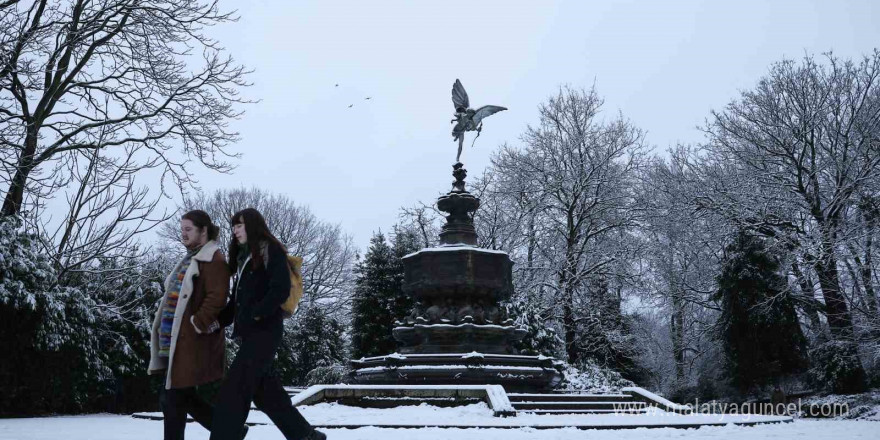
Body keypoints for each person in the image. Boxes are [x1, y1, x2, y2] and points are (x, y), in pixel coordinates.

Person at [211, 208, 326, 440]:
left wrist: (257, 314)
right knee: (267, 395)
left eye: (239, 225)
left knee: (236, 388)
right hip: (251, 334)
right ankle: (306, 436)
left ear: (253, 225)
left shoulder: (269, 249)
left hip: (265, 331)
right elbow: (235, 303)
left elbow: (280, 289)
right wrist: (217, 322)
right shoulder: (245, 259)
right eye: (233, 226)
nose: (235, 230)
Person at [148, 210, 232, 440]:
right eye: (182, 229)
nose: (183, 234)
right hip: (176, 342)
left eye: (188, 229)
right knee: (176, 399)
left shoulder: (213, 258)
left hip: (191, 343)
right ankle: (228, 430)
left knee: (172, 399)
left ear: (203, 230)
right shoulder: (190, 258)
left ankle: (228, 430)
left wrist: (197, 324)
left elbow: (217, 297)